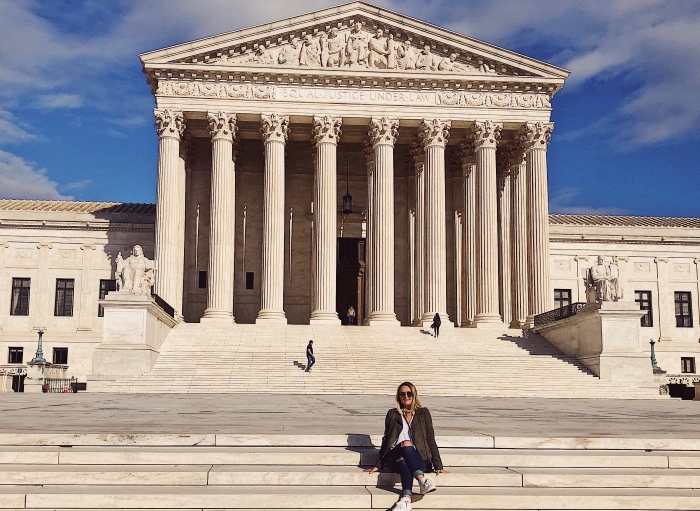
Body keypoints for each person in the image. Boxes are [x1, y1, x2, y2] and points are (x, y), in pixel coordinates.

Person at [364, 382, 447, 510]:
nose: (406, 396)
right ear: (398, 396)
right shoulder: (392, 414)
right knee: (405, 444)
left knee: (404, 461)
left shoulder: (423, 413)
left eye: (409, 393)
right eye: (402, 394)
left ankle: (406, 499)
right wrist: (378, 465)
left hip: (417, 457)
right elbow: (386, 439)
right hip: (394, 456)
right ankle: (422, 480)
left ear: (414, 395)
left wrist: (438, 465)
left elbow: (430, 439)